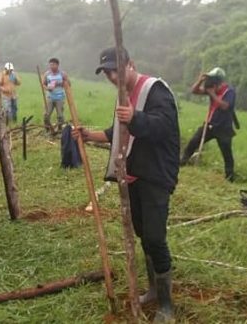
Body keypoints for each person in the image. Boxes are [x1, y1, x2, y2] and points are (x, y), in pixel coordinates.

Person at [73, 47, 179, 322]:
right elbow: (116, 133)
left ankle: (166, 306)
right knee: (144, 235)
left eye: (115, 69)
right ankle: (154, 290)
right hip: (133, 177)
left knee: (155, 238)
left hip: (155, 177)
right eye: (107, 72)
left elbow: (164, 127)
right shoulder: (124, 97)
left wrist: (134, 118)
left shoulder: (155, 90)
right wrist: (88, 135)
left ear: (131, 64)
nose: (111, 76)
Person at [180, 67, 237, 182]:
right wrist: (200, 81)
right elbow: (194, 91)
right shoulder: (212, 88)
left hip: (223, 128)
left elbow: (225, 106)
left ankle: (229, 177)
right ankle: (182, 162)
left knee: (227, 153)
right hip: (209, 125)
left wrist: (213, 94)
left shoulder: (229, 91)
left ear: (218, 82)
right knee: (193, 141)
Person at [41, 57, 68, 134]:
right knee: (46, 115)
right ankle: (47, 130)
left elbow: (68, 84)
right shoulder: (47, 74)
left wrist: (59, 83)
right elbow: (43, 84)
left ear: (57, 65)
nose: (51, 67)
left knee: (60, 116)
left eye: (53, 65)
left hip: (60, 98)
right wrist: (47, 88)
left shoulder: (62, 74)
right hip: (50, 97)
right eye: (50, 65)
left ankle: (60, 130)